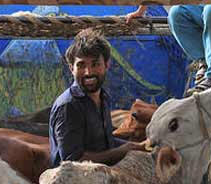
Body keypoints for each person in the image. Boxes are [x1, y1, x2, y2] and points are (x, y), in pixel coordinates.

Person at [49, 28, 148, 167]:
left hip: (100, 178)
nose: (88, 72)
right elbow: (72, 161)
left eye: (95, 64)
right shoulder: (68, 106)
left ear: (107, 65)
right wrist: (121, 151)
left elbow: (107, 142)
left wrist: (136, 146)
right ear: (72, 68)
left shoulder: (103, 98)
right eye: (81, 65)